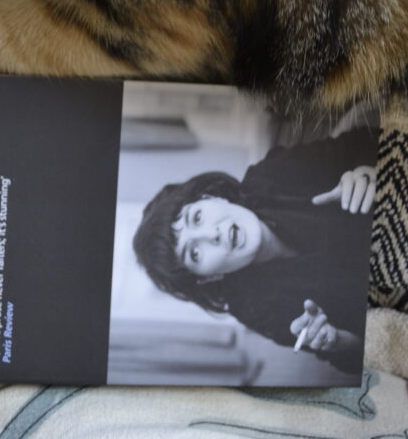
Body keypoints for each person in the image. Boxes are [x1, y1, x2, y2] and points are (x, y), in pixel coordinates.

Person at [132, 127, 378, 376]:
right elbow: (358, 357)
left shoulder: (269, 176)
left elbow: (364, 141)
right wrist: (336, 340)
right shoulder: (254, 309)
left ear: (213, 198)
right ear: (208, 277)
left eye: (196, 217)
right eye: (194, 254)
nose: (211, 235)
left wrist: (365, 172)